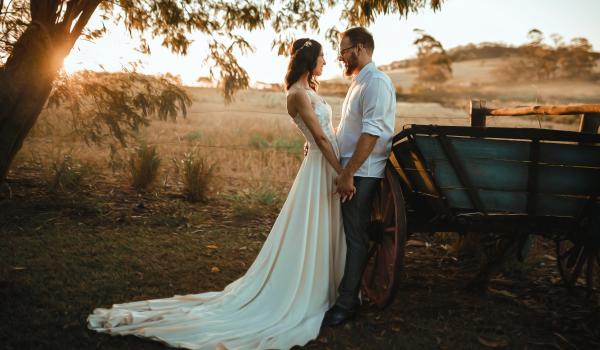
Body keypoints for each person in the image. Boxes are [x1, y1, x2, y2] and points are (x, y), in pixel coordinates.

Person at [87, 38, 348, 350]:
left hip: (322, 164)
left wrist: (328, 154)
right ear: (309, 60)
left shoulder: (310, 91)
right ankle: (306, 290)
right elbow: (318, 135)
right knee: (311, 228)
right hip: (321, 168)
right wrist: (342, 171)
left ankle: (328, 286)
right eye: (322, 57)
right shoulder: (296, 94)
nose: (326, 62)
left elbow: (320, 133)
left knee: (324, 227)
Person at [323, 27, 396, 327]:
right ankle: (344, 292)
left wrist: (348, 173)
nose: (339, 56)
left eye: (343, 50)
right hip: (351, 169)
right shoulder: (359, 82)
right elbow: (349, 130)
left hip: (362, 173)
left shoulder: (376, 83)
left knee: (355, 238)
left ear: (361, 48)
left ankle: (347, 303)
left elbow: (371, 134)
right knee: (348, 235)